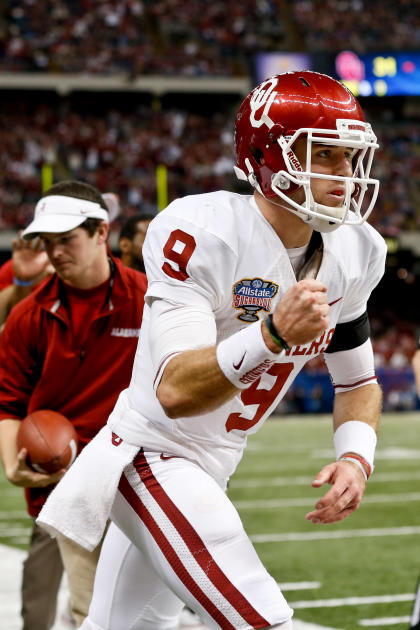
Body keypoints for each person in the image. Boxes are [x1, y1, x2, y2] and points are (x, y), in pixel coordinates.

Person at [38, 71, 386, 630]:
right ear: (271, 160)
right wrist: (271, 334)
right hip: (152, 453)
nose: (344, 175)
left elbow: (357, 381)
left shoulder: (358, 249)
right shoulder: (202, 230)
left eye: (349, 157)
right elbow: (174, 390)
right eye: (324, 156)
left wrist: (355, 457)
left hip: (214, 463)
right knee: (261, 619)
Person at [0, 180, 147, 630]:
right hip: (63, 477)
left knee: (143, 609)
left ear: (102, 233)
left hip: (136, 474)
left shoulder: (149, 298)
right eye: (48, 242)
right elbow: (8, 402)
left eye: (67, 240)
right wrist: (11, 465)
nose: (56, 252)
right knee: (89, 611)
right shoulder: (28, 314)